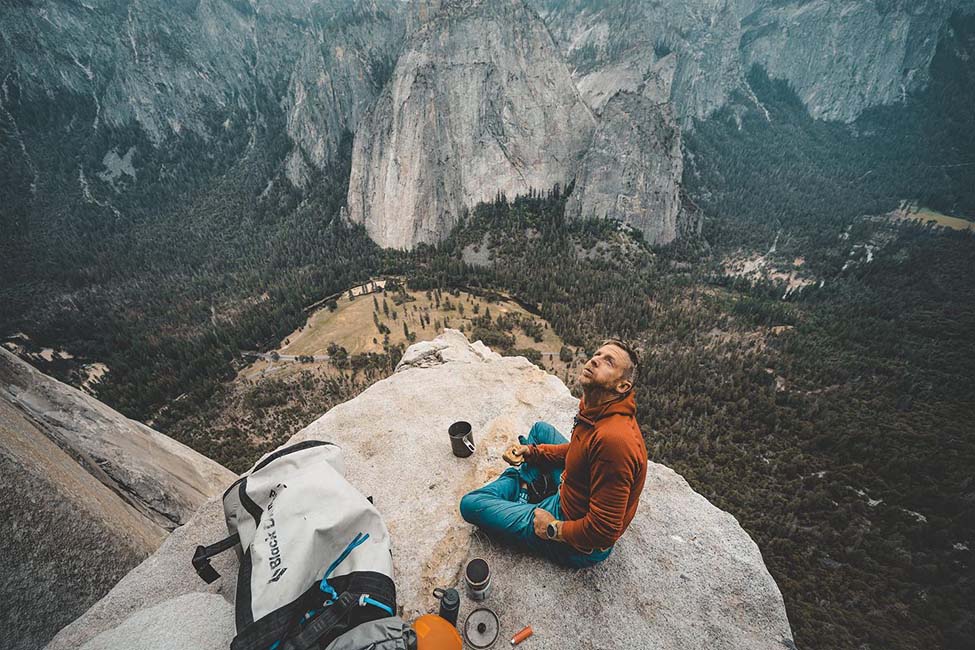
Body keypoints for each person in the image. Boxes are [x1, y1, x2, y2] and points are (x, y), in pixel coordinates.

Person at [458, 340, 647, 568]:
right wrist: (532, 452)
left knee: (470, 504)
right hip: (571, 491)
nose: (595, 359)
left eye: (609, 361)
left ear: (622, 386)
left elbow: (604, 531)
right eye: (597, 353)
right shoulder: (597, 408)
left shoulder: (614, 441)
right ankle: (529, 482)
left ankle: (519, 483)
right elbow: (578, 452)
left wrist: (552, 528)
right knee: (540, 431)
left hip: (572, 532)